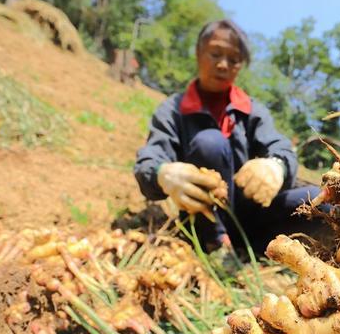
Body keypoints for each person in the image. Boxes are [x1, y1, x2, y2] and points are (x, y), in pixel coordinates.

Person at [133, 19, 323, 252]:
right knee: (209, 142)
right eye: (215, 54)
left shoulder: (252, 110)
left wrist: (275, 166)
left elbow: (280, 147)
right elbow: (150, 160)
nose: (223, 65)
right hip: (203, 218)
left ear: (241, 66)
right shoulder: (173, 109)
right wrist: (162, 174)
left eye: (233, 60)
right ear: (198, 53)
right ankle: (216, 245)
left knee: (317, 201)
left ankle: (259, 251)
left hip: (253, 215)